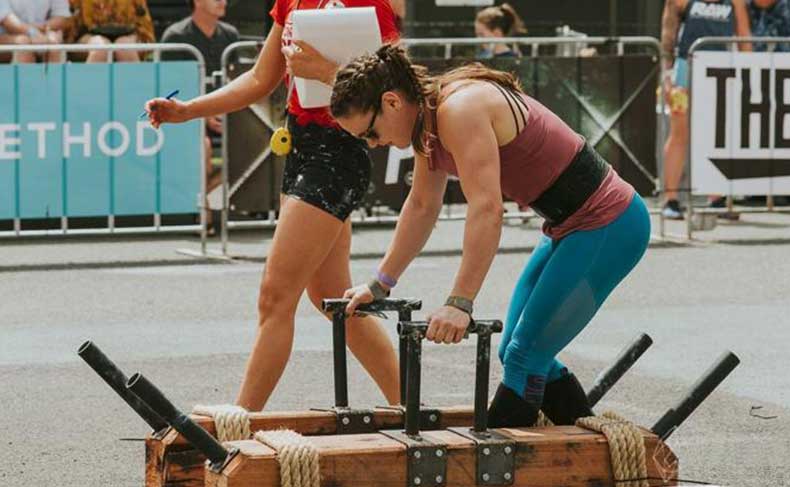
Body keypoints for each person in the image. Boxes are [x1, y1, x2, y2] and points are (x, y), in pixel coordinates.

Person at [335, 45, 651, 428]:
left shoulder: (458, 110)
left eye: (371, 131)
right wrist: (380, 284)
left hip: (609, 223)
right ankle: (588, 455)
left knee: (524, 357)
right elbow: (421, 206)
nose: (372, 143)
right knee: (517, 353)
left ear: (391, 102)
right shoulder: (427, 120)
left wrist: (460, 303)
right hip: (567, 227)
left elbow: (486, 209)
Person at [143, 0, 402, 411]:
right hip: (301, 145)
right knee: (334, 299)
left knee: (275, 294)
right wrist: (188, 110)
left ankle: (241, 420)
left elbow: (394, 92)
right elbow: (261, 78)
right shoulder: (291, 1)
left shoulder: (369, 3)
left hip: (338, 152)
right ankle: (409, 406)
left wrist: (325, 72)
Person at [659, 0, 751, 220]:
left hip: (721, 72)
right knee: (679, 132)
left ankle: (716, 197)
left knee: (718, 134)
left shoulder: (735, 2)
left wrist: (750, 75)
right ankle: (670, 198)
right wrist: (666, 75)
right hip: (685, 71)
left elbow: (744, 37)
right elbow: (667, 36)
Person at [161, 0, 241, 207]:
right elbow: (171, 87)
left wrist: (224, 111)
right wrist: (204, 115)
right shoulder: (175, 36)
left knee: (257, 142)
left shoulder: (231, 35)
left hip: (226, 113)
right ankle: (203, 213)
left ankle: (199, 201)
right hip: (187, 117)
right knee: (202, 146)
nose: (223, 1)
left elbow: (237, 81)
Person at [65, 0, 155, 63]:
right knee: (101, 49)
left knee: (125, 48)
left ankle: (137, 89)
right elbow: (71, 23)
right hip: (88, 35)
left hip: (129, 36)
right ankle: (88, 89)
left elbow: (143, 25)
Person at [0, 0, 70, 63]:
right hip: (6, 37)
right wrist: (33, 33)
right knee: (24, 44)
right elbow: (8, 22)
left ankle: (53, 77)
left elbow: (61, 17)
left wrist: (40, 32)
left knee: (54, 43)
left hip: (41, 33)